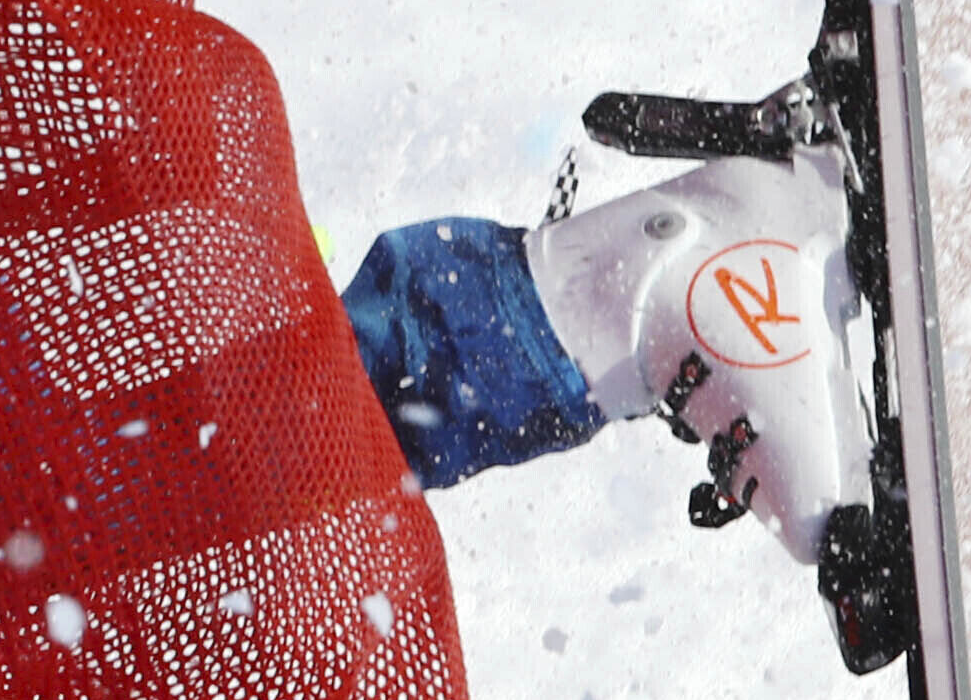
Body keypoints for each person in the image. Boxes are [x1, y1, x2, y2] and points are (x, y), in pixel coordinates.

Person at [335, 149, 873, 563]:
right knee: (321, 435)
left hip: (471, 304)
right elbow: (813, 527)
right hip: (500, 346)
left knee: (318, 413)